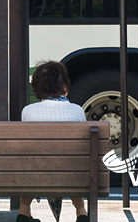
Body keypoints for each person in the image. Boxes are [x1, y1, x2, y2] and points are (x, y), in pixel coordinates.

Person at [17, 61, 88, 222]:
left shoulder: (28, 112)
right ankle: (81, 212)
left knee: (29, 163)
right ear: (65, 86)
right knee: (73, 165)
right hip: (72, 175)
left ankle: (24, 211)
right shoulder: (77, 110)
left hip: (36, 175)